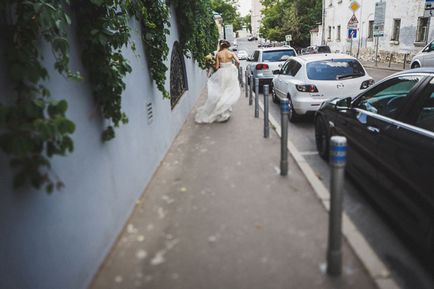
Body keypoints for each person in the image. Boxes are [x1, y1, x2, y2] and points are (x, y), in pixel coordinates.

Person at [195, 40, 241, 123]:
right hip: (231, 73)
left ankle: (222, 112)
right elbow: (238, 62)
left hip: (222, 74)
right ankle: (226, 111)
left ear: (222, 46)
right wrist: (235, 68)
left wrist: (212, 64)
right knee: (229, 91)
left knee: (222, 91)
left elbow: (216, 67)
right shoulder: (231, 53)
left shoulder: (218, 54)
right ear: (227, 46)